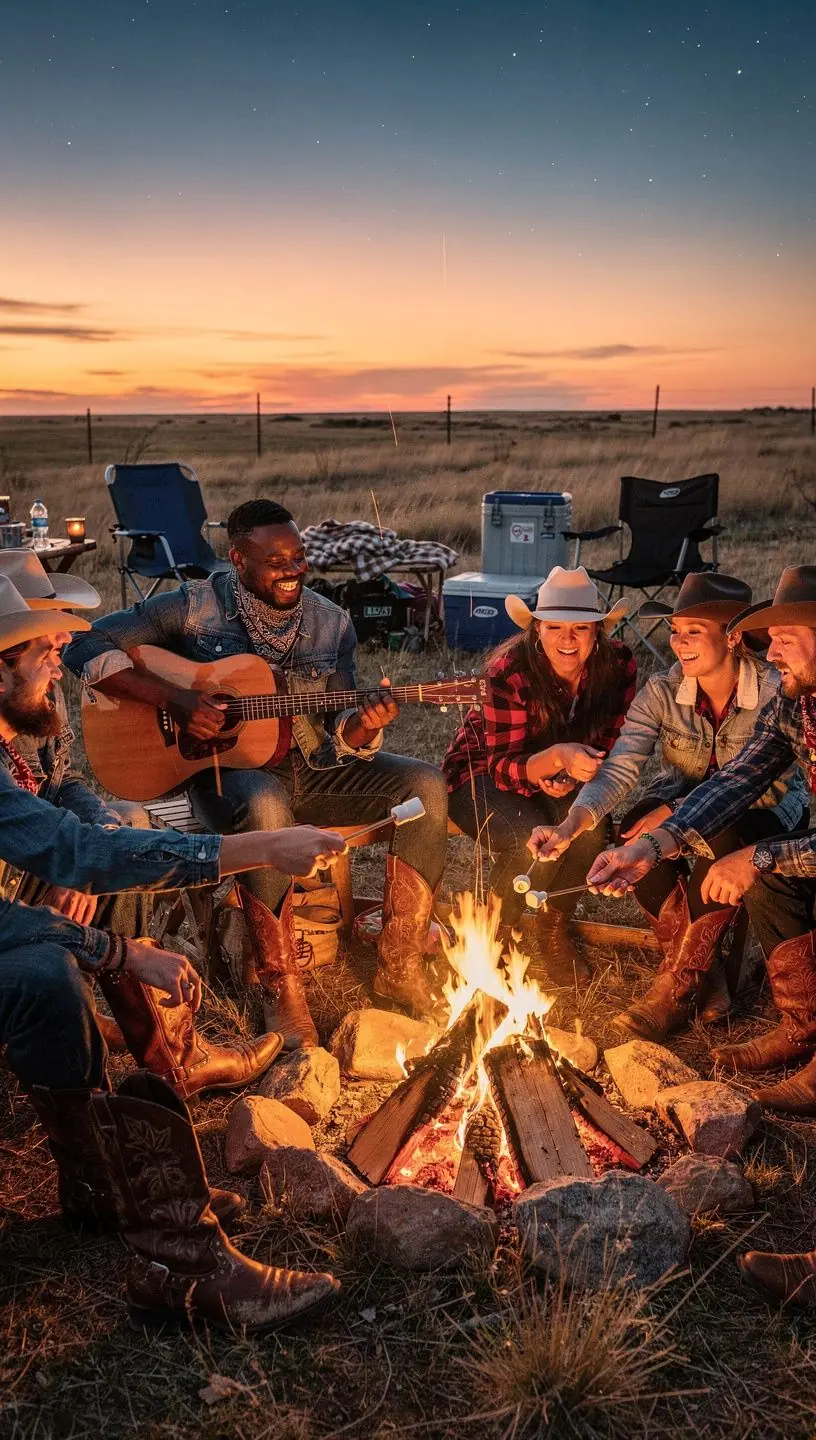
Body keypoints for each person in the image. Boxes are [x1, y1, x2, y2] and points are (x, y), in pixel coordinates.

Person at [0, 573, 345, 1329]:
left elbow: (66, 813)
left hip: (23, 900)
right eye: (41, 649)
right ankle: (175, 1265)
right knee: (43, 977)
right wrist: (120, 949)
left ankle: (104, 1183)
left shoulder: (20, 733)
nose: (61, 658)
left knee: (103, 865)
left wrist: (91, 859)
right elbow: (37, 881)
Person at [65, 499, 449, 1037]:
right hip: (224, 776)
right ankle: (280, 985)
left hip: (311, 768)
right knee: (267, 803)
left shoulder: (332, 623)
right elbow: (83, 644)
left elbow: (338, 728)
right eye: (276, 561)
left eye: (299, 558)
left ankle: (401, 968)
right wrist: (176, 700)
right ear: (239, 560)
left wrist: (364, 727)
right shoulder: (194, 607)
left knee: (425, 784)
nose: (293, 571)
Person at [579, 565, 816, 1309]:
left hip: (790, 836)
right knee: (757, 866)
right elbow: (736, 780)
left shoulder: (776, 690)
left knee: (765, 863)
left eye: (785, 636)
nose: (773, 650)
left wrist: (760, 856)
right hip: (751, 832)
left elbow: (766, 816)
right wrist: (655, 845)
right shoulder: (796, 703)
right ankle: (803, 1031)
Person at [0, 550, 281, 1098]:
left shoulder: (34, 698)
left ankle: (165, 1052)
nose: (62, 647)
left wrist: (89, 849)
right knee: (94, 880)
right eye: (46, 634)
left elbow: (62, 783)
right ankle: (105, 1048)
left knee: (118, 829)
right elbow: (52, 849)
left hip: (26, 857)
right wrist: (90, 887)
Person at [529, 573, 808, 1038]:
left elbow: (760, 786)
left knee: (721, 837)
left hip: (767, 811)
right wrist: (573, 825)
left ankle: (678, 987)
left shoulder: (778, 689)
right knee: (636, 830)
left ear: (733, 637)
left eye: (693, 631)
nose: (678, 643)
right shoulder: (663, 691)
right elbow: (621, 768)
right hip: (696, 805)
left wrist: (676, 810)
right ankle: (700, 972)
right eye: (675, 631)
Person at [443, 566, 636, 984]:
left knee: (591, 833)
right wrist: (555, 760)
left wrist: (572, 774)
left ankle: (552, 927)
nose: (567, 639)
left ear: (597, 632)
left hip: (562, 772)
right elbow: (501, 765)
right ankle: (488, 942)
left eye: (580, 628)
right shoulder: (508, 671)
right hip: (480, 772)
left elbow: (609, 742)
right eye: (554, 627)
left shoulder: (619, 664)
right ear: (537, 630)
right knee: (529, 840)